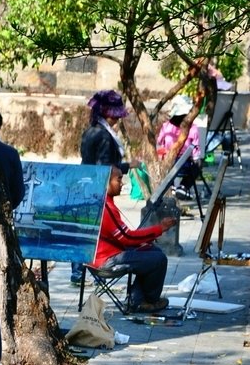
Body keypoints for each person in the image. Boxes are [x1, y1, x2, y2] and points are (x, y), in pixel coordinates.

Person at [70, 89, 141, 285]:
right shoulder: (103, 136)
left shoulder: (90, 130)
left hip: (85, 185)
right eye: (114, 116)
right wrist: (127, 166)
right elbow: (104, 168)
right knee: (93, 233)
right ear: (106, 114)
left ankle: (78, 273)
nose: (116, 120)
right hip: (97, 188)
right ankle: (85, 273)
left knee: (84, 231)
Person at [91, 166, 176, 312]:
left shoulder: (103, 201)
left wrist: (144, 241)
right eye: (119, 179)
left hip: (108, 253)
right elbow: (126, 237)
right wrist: (159, 228)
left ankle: (137, 300)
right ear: (106, 182)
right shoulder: (105, 207)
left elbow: (123, 236)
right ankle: (147, 301)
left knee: (150, 250)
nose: (122, 184)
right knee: (159, 259)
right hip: (105, 259)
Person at [156, 95, 202, 199]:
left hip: (166, 164)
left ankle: (172, 185)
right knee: (198, 166)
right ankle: (184, 186)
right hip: (184, 166)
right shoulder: (193, 128)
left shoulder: (166, 126)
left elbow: (159, 142)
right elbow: (195, 154)